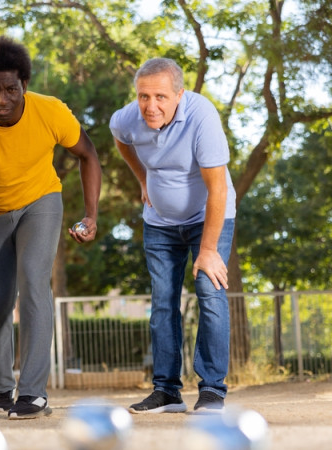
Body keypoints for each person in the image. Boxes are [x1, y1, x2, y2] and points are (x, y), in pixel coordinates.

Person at [0, 37, 102, 420]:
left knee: (34, 282)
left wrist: (91, 214)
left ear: (24, 87)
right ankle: (3, 389)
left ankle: (33, 392)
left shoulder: (50, 112)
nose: (2, 99)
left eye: (11, 89)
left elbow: (88, 154)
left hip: (41, 202)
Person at [109, 57, 237, 414]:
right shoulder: (128, 117)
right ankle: (166, 391)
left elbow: (218, 190)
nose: (151, 106)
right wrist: (142, 179)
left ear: (180, 94)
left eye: (161, 97)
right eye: (144, 96)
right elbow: (121, 140)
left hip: (207, 216)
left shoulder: (202, 118)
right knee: (163, 302)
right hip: (159, 222)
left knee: (210, 294)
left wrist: (208, 249)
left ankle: (212, 389)